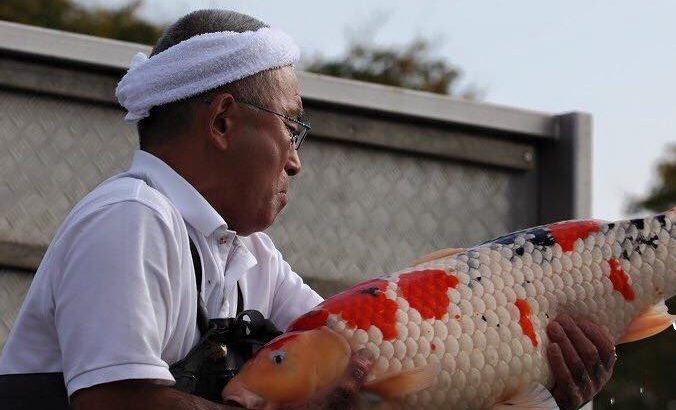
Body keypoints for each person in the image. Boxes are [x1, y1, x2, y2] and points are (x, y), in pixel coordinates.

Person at [0, 9, 615, 410]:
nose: (296, 160)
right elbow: (119, 404)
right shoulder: (131, 220)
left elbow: (365, 366)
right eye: (293, 127)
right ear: (221, 120)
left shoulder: (247, 256)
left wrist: (543, 382)